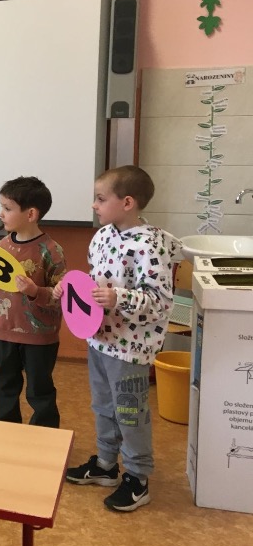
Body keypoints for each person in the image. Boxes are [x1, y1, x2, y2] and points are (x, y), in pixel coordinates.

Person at [55, 166, 180, 513]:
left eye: (100, 198)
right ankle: (106, 465)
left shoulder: (150, 245)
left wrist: (119, 298)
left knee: (130, 412)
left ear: (127, 202)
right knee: (103, 405)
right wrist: (70, 288)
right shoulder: (102, 237)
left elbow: (160, 302)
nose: (94, 205)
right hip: (99, 340)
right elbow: (94, 282)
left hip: (130, 348)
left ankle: (138, 478)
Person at [0, 176, 65, 427]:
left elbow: (61, 296)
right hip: (4, 330)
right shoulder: (3, 245)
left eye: (7, 208)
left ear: (31, 214)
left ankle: (45, 434)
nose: (1, 213)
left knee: (39, 388)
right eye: (2, 207)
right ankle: (6, 431)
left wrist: (36, 291)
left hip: (39, 335)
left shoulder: (51, 250)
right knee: (5, 383)